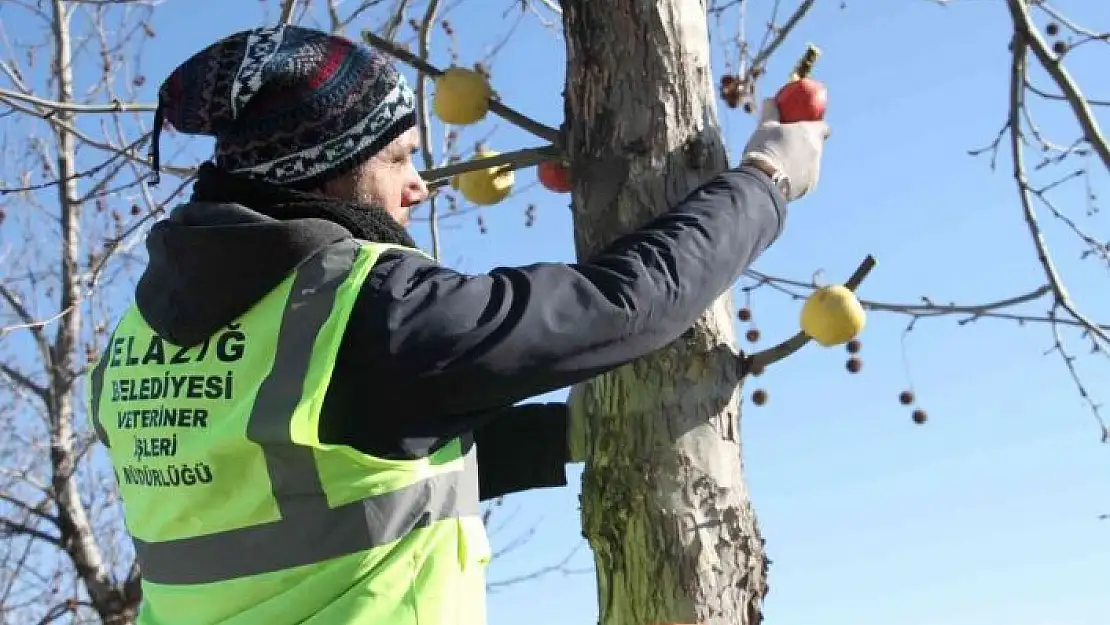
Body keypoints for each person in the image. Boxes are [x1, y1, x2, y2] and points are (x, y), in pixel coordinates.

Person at [85, 24, 828, 625]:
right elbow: (626, 301)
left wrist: (560, 438)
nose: (417, 185)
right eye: (400, 157)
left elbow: (320, 489)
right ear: (327, 168)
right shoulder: (366, 310)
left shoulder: (129, 349)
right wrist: (766, 180)